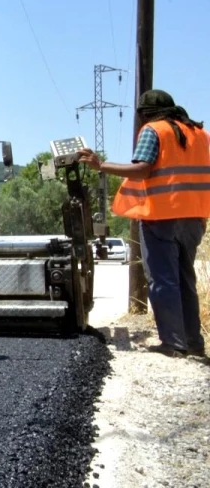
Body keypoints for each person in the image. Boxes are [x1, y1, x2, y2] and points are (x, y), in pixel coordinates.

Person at [79, 89, 208, 358]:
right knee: (185, 279)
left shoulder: (154, 130)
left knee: (163, 281)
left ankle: (173, 343)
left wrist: (100, 165)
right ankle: (193, 342)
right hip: (195, 216)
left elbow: (142, 169)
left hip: (162, 216)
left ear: (143, 114)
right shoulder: (200, 134)